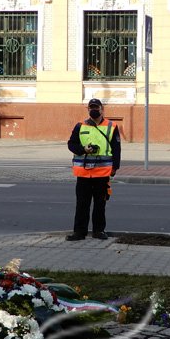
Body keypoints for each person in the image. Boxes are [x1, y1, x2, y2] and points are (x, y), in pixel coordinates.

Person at [66, 98, 120, 241]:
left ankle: (98, 231)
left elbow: (116, 148)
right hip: (83, 173)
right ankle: (79, 233)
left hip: (102, 173)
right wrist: (83, 149)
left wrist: (115, 167)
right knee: (82, 204)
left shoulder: (112, 126)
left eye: (96, 107)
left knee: (100, 204)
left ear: (102, 109)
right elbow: (71, 144)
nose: (94, 110)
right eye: (91, 108)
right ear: (88, 110)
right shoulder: (80, 126)